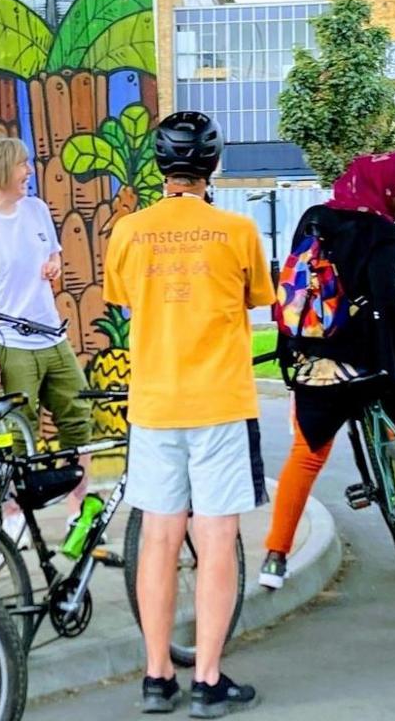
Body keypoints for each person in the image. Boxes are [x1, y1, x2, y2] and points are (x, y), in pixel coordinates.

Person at [104, 111, 271, 717]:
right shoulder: (238, 230)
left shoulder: (128, 232)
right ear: (212, 164)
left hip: (154, 403)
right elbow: (258, 299)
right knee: (217, 537)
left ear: (160, 165)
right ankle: (206, 679)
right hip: (221, 403)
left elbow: (121, 298)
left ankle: (156, 677)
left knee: (158, 536)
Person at [261, 153, 395, 592]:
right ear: (385, 191)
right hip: (373, 362)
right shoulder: (384, 232)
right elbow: (385, 305)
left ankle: (275, 555)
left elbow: (294, 293)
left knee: (306, 455)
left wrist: (291, 352)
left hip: (317, 363)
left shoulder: (314, 218)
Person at [0, 135, 90, 533]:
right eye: (22, 165)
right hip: (9, 343)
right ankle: (13, 515)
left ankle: (78, 508)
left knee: (78, 415)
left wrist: (54, 266)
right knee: (18, 432)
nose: (29, 172)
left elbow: (53, 255)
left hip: (51, 334)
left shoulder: (36, 210)